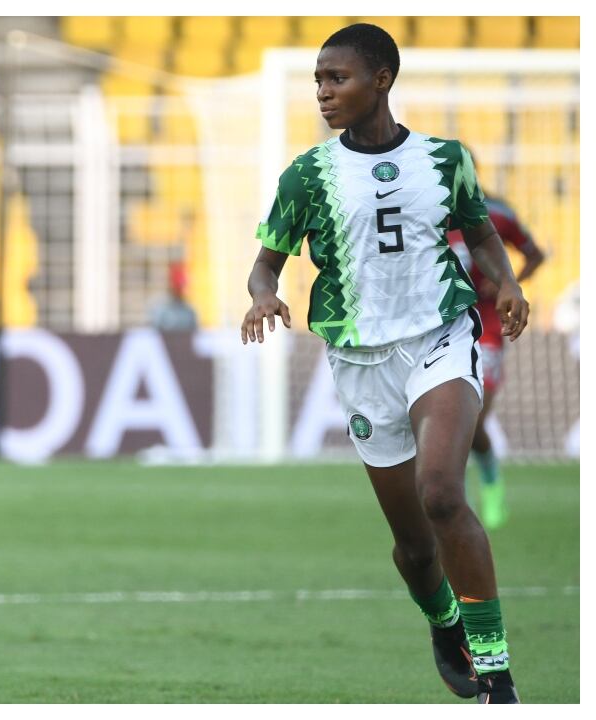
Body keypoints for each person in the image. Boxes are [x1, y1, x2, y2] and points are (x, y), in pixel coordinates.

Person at [241, 24, 528, 703]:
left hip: (439, 336)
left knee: (441, 494)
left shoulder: (444, 158)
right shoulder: (307, 175)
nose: (323, 92)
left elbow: (481, 231)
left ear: (381, 81)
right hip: (360, 358)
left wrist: (508, 283)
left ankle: (498, 673)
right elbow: (264, 264)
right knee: (414, 547)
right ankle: (443, 622)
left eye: (336, 78)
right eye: (317, 80)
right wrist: (263, 297)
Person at [446, 181, 546, 529]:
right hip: (439, 327)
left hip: (486, 325)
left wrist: (508, 282)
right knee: (443, 420)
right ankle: (455, 504)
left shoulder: (497, 213)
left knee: (471, 419)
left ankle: (490, 483)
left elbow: (535, 254)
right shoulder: (423, 210)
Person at [149, 261, 200, 332]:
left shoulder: (189, 311)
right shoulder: (161, 309)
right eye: (178, 287)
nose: (181, 291)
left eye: (182, 287)